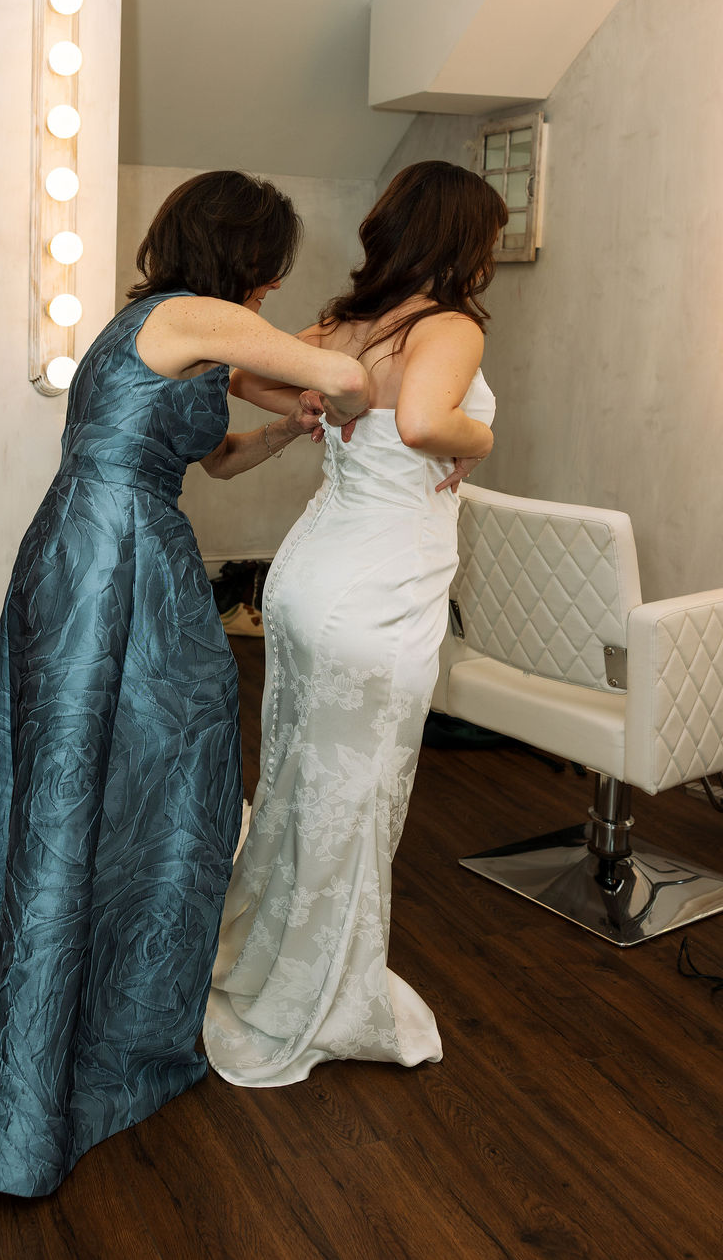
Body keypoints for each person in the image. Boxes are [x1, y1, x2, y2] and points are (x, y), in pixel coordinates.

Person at [0, 169, 370, 1197]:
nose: (265, 291)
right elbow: (341, 379)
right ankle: (94, 1048)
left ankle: (33, 1041)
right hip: (116, 549)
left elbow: (213, 458)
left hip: (99, 542)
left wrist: (279, 427)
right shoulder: (197, 313)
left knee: (96, 776)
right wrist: (358, 338)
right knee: (164, 772)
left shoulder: (159, 324)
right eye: (267, 270)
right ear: (244, 255)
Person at [203, 160, 507, 1087]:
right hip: (378, 591)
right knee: (356, 795)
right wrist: (481, 436)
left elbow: (237, 365)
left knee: (302, 778)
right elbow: (422, 421)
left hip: (308, 578)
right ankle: (322, 994)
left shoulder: (345, 322)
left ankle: (270, 963)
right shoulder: (446, 325)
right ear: (462, 240)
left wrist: (308, 408)